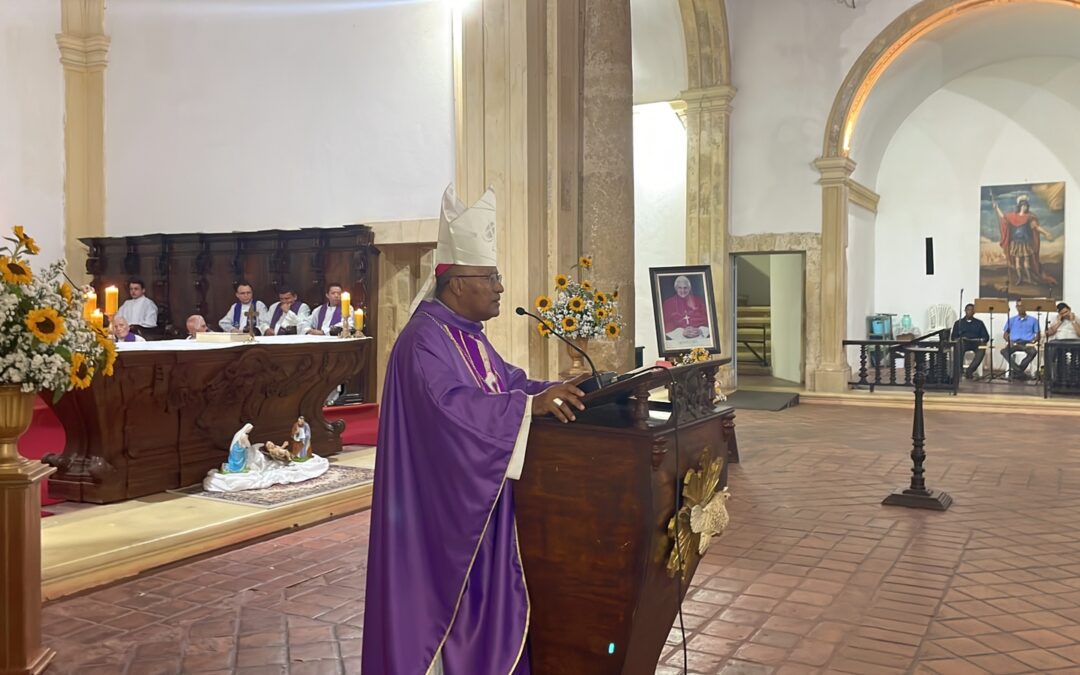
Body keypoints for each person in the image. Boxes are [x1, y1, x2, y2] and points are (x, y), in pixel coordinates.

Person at [364, 185, 586, 675]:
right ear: (458, 281)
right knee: (447, 616)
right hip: (438, 519)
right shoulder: (424, 342)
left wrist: (565, 389)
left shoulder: (466, 337)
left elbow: (509, 383)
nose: (501, 287)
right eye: (492, 277)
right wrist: (529, 406)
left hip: (476, 505)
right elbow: (452, 412)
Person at [995, 193, 1057, 286]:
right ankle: (1020, 279)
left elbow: (1036, 227)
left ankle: (1029, 279)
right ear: (1019, 206)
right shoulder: (1012, 216)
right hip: (1015, 243)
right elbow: (1003, 217)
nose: (1024, 207)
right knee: (1017, 264)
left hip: (1026, 243)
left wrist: (1046, 233)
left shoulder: (1029, 217)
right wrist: (996, 208)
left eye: (1026, 205)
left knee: (1027, 264)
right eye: (1023, 205)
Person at [662, 275, 711, 347]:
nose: (683, 291)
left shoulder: (700, 301)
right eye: (680, 288)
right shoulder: (668, 303)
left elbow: (708, 322)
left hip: (699, 340)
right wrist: (681, 332)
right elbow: (665, 326)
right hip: (677, 341)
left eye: (685, 288)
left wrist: (700, 330)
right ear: (676, 288)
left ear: (689, 288)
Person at [1000, 299, 1040, 379]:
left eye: (1022, 306)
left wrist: (1034, 341)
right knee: (1004, 351)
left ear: (1025, 307)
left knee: (1033, 352)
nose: (1020, 308)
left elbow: (1038, 335)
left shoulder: (1033, 320)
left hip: (1027, 343)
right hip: (1014, 343)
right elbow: (1005, 334)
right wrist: (1009, 340)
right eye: (1018, 306)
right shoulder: (1011, 320)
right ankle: (1019, 372)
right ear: (1016, 307)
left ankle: (1016, 372)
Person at [951, 303, 989, 379]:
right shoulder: (958, 323)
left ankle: (969, 371)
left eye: (972, 310)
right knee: (959, 345)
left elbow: (986, 337)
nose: (970, 311)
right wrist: (959, 339)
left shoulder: (979, 323)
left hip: (976, 343)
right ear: (965, 311)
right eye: (968, 310)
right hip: (964, 343)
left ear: (974, 312)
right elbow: (953, 337)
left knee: (982, 350)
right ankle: (959, 371)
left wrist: (981, 340)